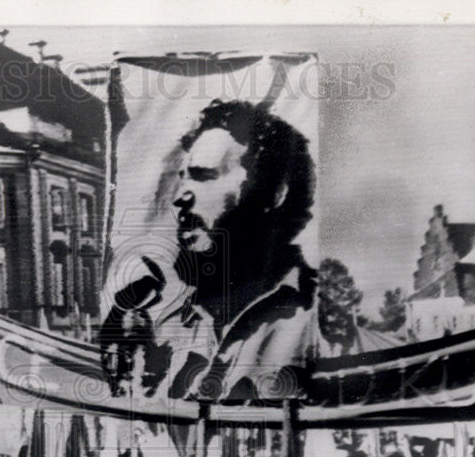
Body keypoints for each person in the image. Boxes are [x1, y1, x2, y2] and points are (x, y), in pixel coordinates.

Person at [101, 98, 320, 401]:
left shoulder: (312, 320)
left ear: (274, 191)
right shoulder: (179, 319)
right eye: (182, 180)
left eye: (203, 176)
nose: (179, 198)